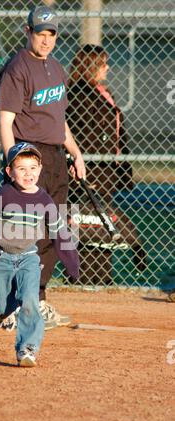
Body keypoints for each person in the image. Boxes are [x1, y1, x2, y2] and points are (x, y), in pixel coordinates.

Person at [0, 4, 86, 329]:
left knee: (51, 231)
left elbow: (59, 122)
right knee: (19, 233)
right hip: (28, 160)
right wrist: (13, 163)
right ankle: (14, 305)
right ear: (27, 32)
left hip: (56, 159)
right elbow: (6, 122)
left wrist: (75, 153)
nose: (46, 40)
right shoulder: (17, 68)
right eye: (40, 33)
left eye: (51, 34)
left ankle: (38, 300)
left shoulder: (57, 69)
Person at [0, 142, 80, 367]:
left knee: (31, 299)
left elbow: (60, 232)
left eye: (33, 167)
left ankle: (27, 348)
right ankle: (5, 309)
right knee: (4, 307)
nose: (28, 173)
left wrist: (72, 263)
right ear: (9, 172)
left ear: (40, 169)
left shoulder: (44, 200)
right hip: (0, 257)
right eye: (21, 168)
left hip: (29, 257)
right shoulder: (2, 195)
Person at [66, 44, 146, 285]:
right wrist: (74, 160)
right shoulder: (78, 94)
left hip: (106, 170)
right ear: (91, 67)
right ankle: (81, 277)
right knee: (86, 219)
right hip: (87, 167)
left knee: (102, 220)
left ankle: (101, 277)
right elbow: (76, 132)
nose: (107, 68)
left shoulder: (101, 90)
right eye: (102, 64)